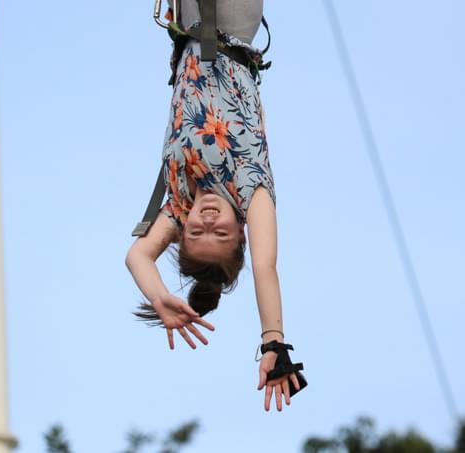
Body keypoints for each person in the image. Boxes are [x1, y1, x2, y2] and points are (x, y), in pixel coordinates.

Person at [125, 0, 304, 412]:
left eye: (195, 232)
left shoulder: (180, 202)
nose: (206, 221)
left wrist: (159, 297)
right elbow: (264, 267)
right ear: (240, 232)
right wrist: (272, 339)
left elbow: (137, 256)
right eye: (220, 232)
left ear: (182, 228)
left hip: (193, 23)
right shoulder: (249, 193)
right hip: (234, 24)